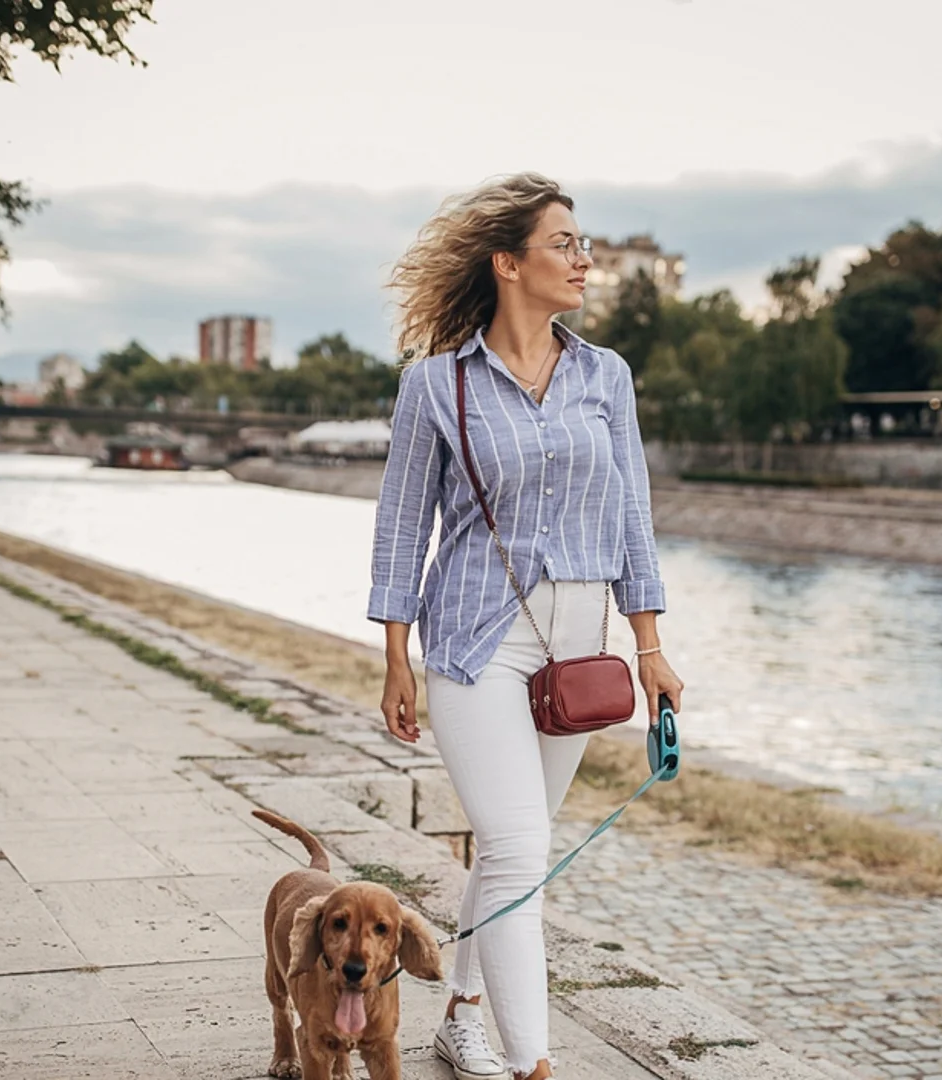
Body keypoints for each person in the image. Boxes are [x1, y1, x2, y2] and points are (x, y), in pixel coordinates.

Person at [368, 173, 685, 1080]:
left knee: (516, 856)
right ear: (509, 264)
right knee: (514, 849)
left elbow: (633, 518)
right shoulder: (436, 386)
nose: (584, 259)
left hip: (580, 647)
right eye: (564, 244)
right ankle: (536, 1067)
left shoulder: (605, 376)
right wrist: (395, 656)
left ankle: (460, 1010)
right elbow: (401, 527)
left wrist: (650, 647)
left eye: (584, 244)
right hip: (474, 640)